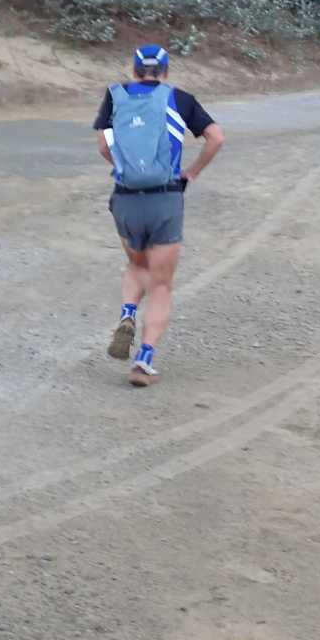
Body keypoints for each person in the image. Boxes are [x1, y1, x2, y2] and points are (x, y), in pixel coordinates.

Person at [93, 45, 224, 387]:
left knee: (137, 265)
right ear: (165, 72)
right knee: (161, 284)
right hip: (165, 198)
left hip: (126, 199)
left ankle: (127, 313)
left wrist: (126, 168)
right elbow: (216, 137)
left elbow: (104, 146)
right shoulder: (180, 99)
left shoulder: (115, 97)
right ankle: (144, 360)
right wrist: (192, 172)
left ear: (134, 70)